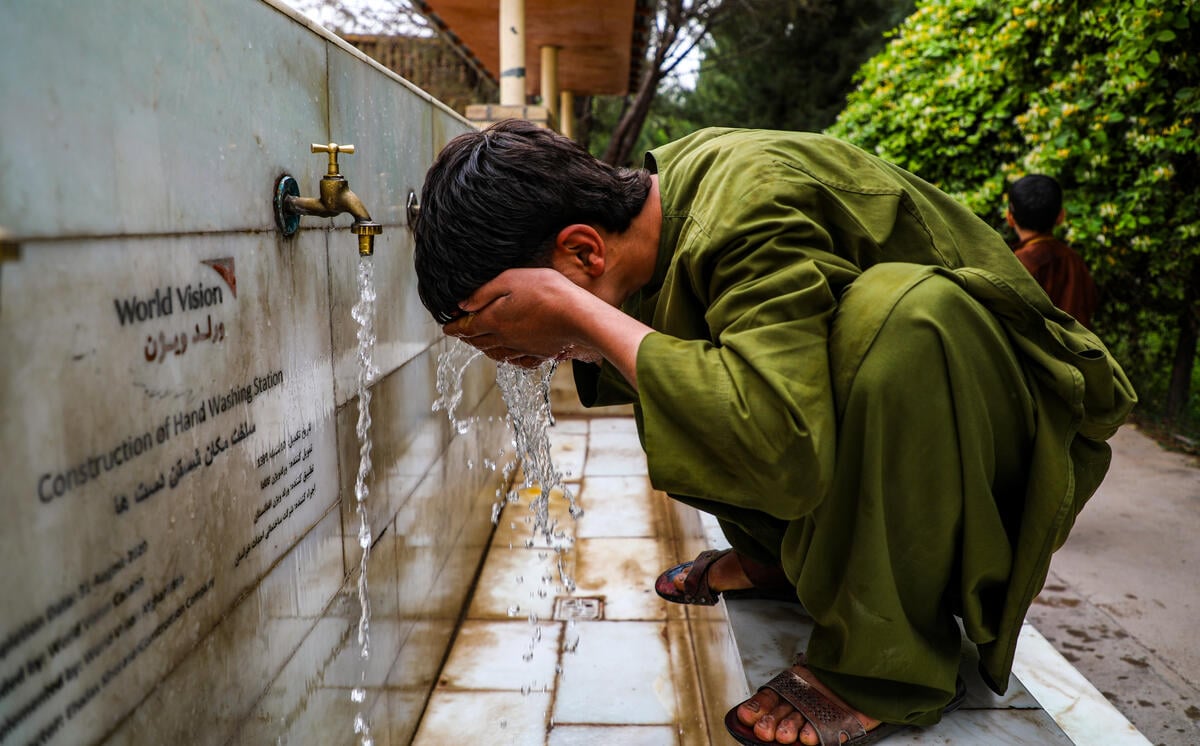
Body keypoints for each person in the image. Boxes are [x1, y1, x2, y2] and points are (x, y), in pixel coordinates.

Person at [413, 119, 1135, 746]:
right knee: (680, 348)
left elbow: (783, 444)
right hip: (911, 425)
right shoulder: (660, 223)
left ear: (581, 253)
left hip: (1015, 425)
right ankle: (778, 559)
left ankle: (886, 666)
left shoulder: (749, 201)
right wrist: (588, 319)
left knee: (898, 320)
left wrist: (578, 316)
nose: (522, 357)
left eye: (513, 332)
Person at [1006, 174, 1100, 328]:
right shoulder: (1074, 260)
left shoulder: (1016, 264)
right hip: (1079, 349)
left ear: (1009, 217)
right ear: (1061, 216)